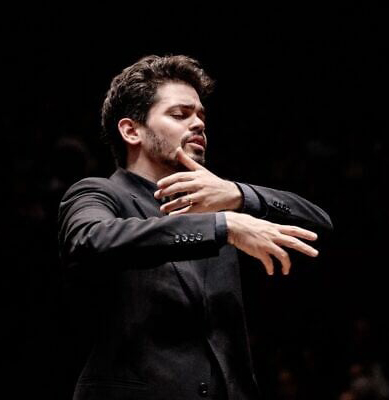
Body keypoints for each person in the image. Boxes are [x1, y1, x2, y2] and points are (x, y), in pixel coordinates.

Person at [58, 54, 334, 400]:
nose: (199, 124)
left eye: (201, 115)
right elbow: (88, 240)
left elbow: (322, 229)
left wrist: (238, 195)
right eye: (180, 114)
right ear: (131, 130)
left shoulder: (223, 203)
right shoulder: (98, 193)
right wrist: (222, 225)